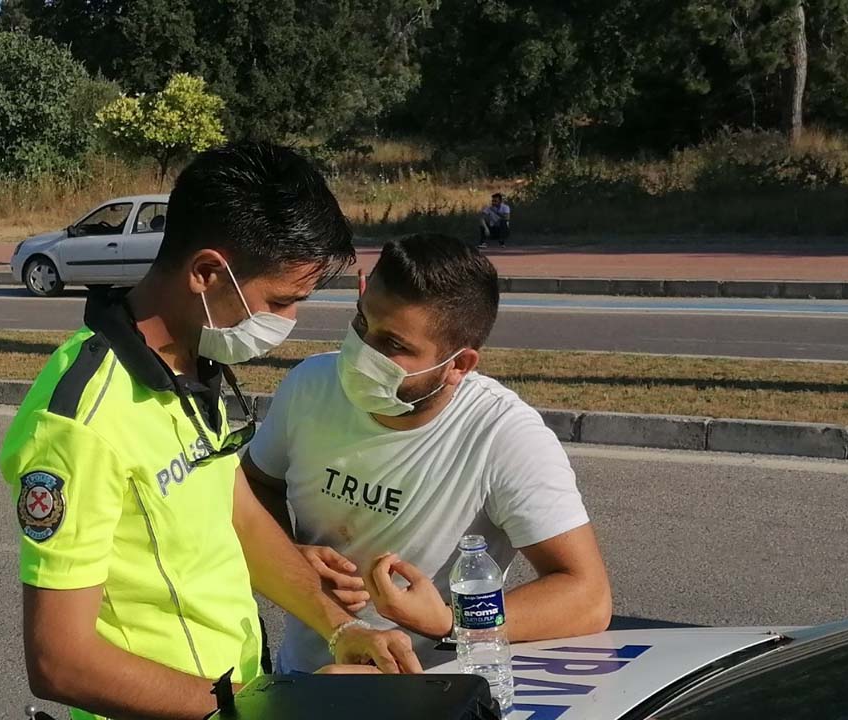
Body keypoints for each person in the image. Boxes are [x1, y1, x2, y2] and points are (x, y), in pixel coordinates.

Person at [0, 143, 421, 720]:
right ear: (206, 273)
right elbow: (59, 660)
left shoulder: (190, 364)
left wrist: (341, 626)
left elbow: (236, 511)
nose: (287, 323)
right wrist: (262, 710)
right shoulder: (80, 422)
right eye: (280, 301)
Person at [246, 233, 612, 673]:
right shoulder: (310, 384)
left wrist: (450, 620)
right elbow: (255, 484)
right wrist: (290, 553)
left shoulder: (503, 435)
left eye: (394, 345)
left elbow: (587, 597)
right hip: (302, 682)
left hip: (431, 693)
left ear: (458, 365)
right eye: (362, 324)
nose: (362, 353)